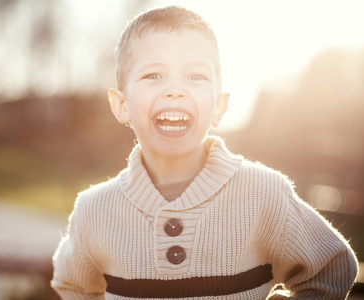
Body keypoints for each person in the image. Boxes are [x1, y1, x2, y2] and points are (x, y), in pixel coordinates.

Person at [51, 5, 358, 299]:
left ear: (218, 106)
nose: (176, 89)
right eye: (153, 75)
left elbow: (332, 269)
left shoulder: (264, 194)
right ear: (121, 105)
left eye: (195, 76)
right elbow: (73, 285)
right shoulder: (93, 211)